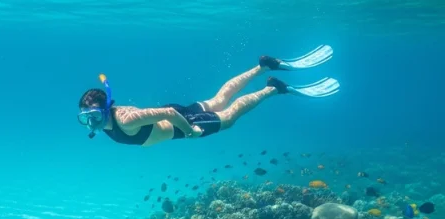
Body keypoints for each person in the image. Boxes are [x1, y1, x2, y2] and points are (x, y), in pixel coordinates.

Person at [77, 45, 339, 147]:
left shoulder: (125, 121)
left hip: (183, 124)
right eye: (85, 118)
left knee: (230, 115)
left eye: (94, 116)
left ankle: (273, 88)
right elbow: (108, 96)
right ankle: (263, 67)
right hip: (178, 115)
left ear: (105, 110)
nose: (91, 123)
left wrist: (190, 131)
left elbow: (169, 114)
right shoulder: (110, 112)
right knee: (218, 99)